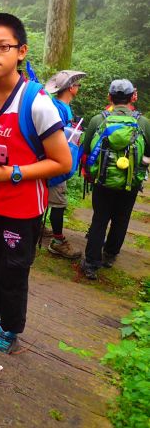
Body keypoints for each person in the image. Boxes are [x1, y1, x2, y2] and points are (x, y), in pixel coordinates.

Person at [0, 13, 72, 353]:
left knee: (12, 271)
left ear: (21, 51)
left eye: (2, 47)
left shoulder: (37, 103)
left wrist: (13, 173)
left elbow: (62, 161)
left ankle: (9, 329)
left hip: (22, 210)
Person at [81, 79, 150, 280]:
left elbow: (86, 150)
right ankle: (110, 255)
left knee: (99, 219)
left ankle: (91, 264)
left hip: (102, 180)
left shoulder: (98, 120)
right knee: (122, 218)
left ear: (110, 97)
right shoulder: (143, 123)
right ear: (133, 97)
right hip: (130, 182)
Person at [43, 70, 86, 259]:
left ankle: (37, 227)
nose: (78, 88)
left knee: (44, 196)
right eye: (78, 85)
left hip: (52, 161)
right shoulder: (59, 108)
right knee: (58, 203)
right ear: (71, 87)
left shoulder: (59, 106)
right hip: (56, 163)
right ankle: (58, 241)